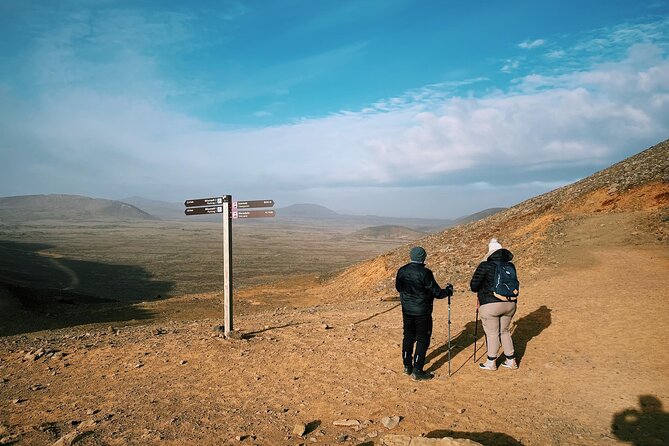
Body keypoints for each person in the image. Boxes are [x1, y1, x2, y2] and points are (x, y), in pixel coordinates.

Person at [395, 246, 453, 381]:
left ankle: (407, 366)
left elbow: (399, 288)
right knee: (423, 338)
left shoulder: (402, 270)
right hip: (422, 312)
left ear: (411, 256)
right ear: (423, 257)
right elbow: (437, 292)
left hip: (407, 310)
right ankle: (417, 370)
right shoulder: (425, 273)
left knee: (408, 336)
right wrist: (448, 291)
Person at [470, 238, 518, 371]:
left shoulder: (485, 265)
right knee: (505, 331)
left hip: (490, 304)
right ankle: (511, 360)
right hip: (510, 303)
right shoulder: (510, 266)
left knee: (492, 333)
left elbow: (474, 286)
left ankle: (491, 362)